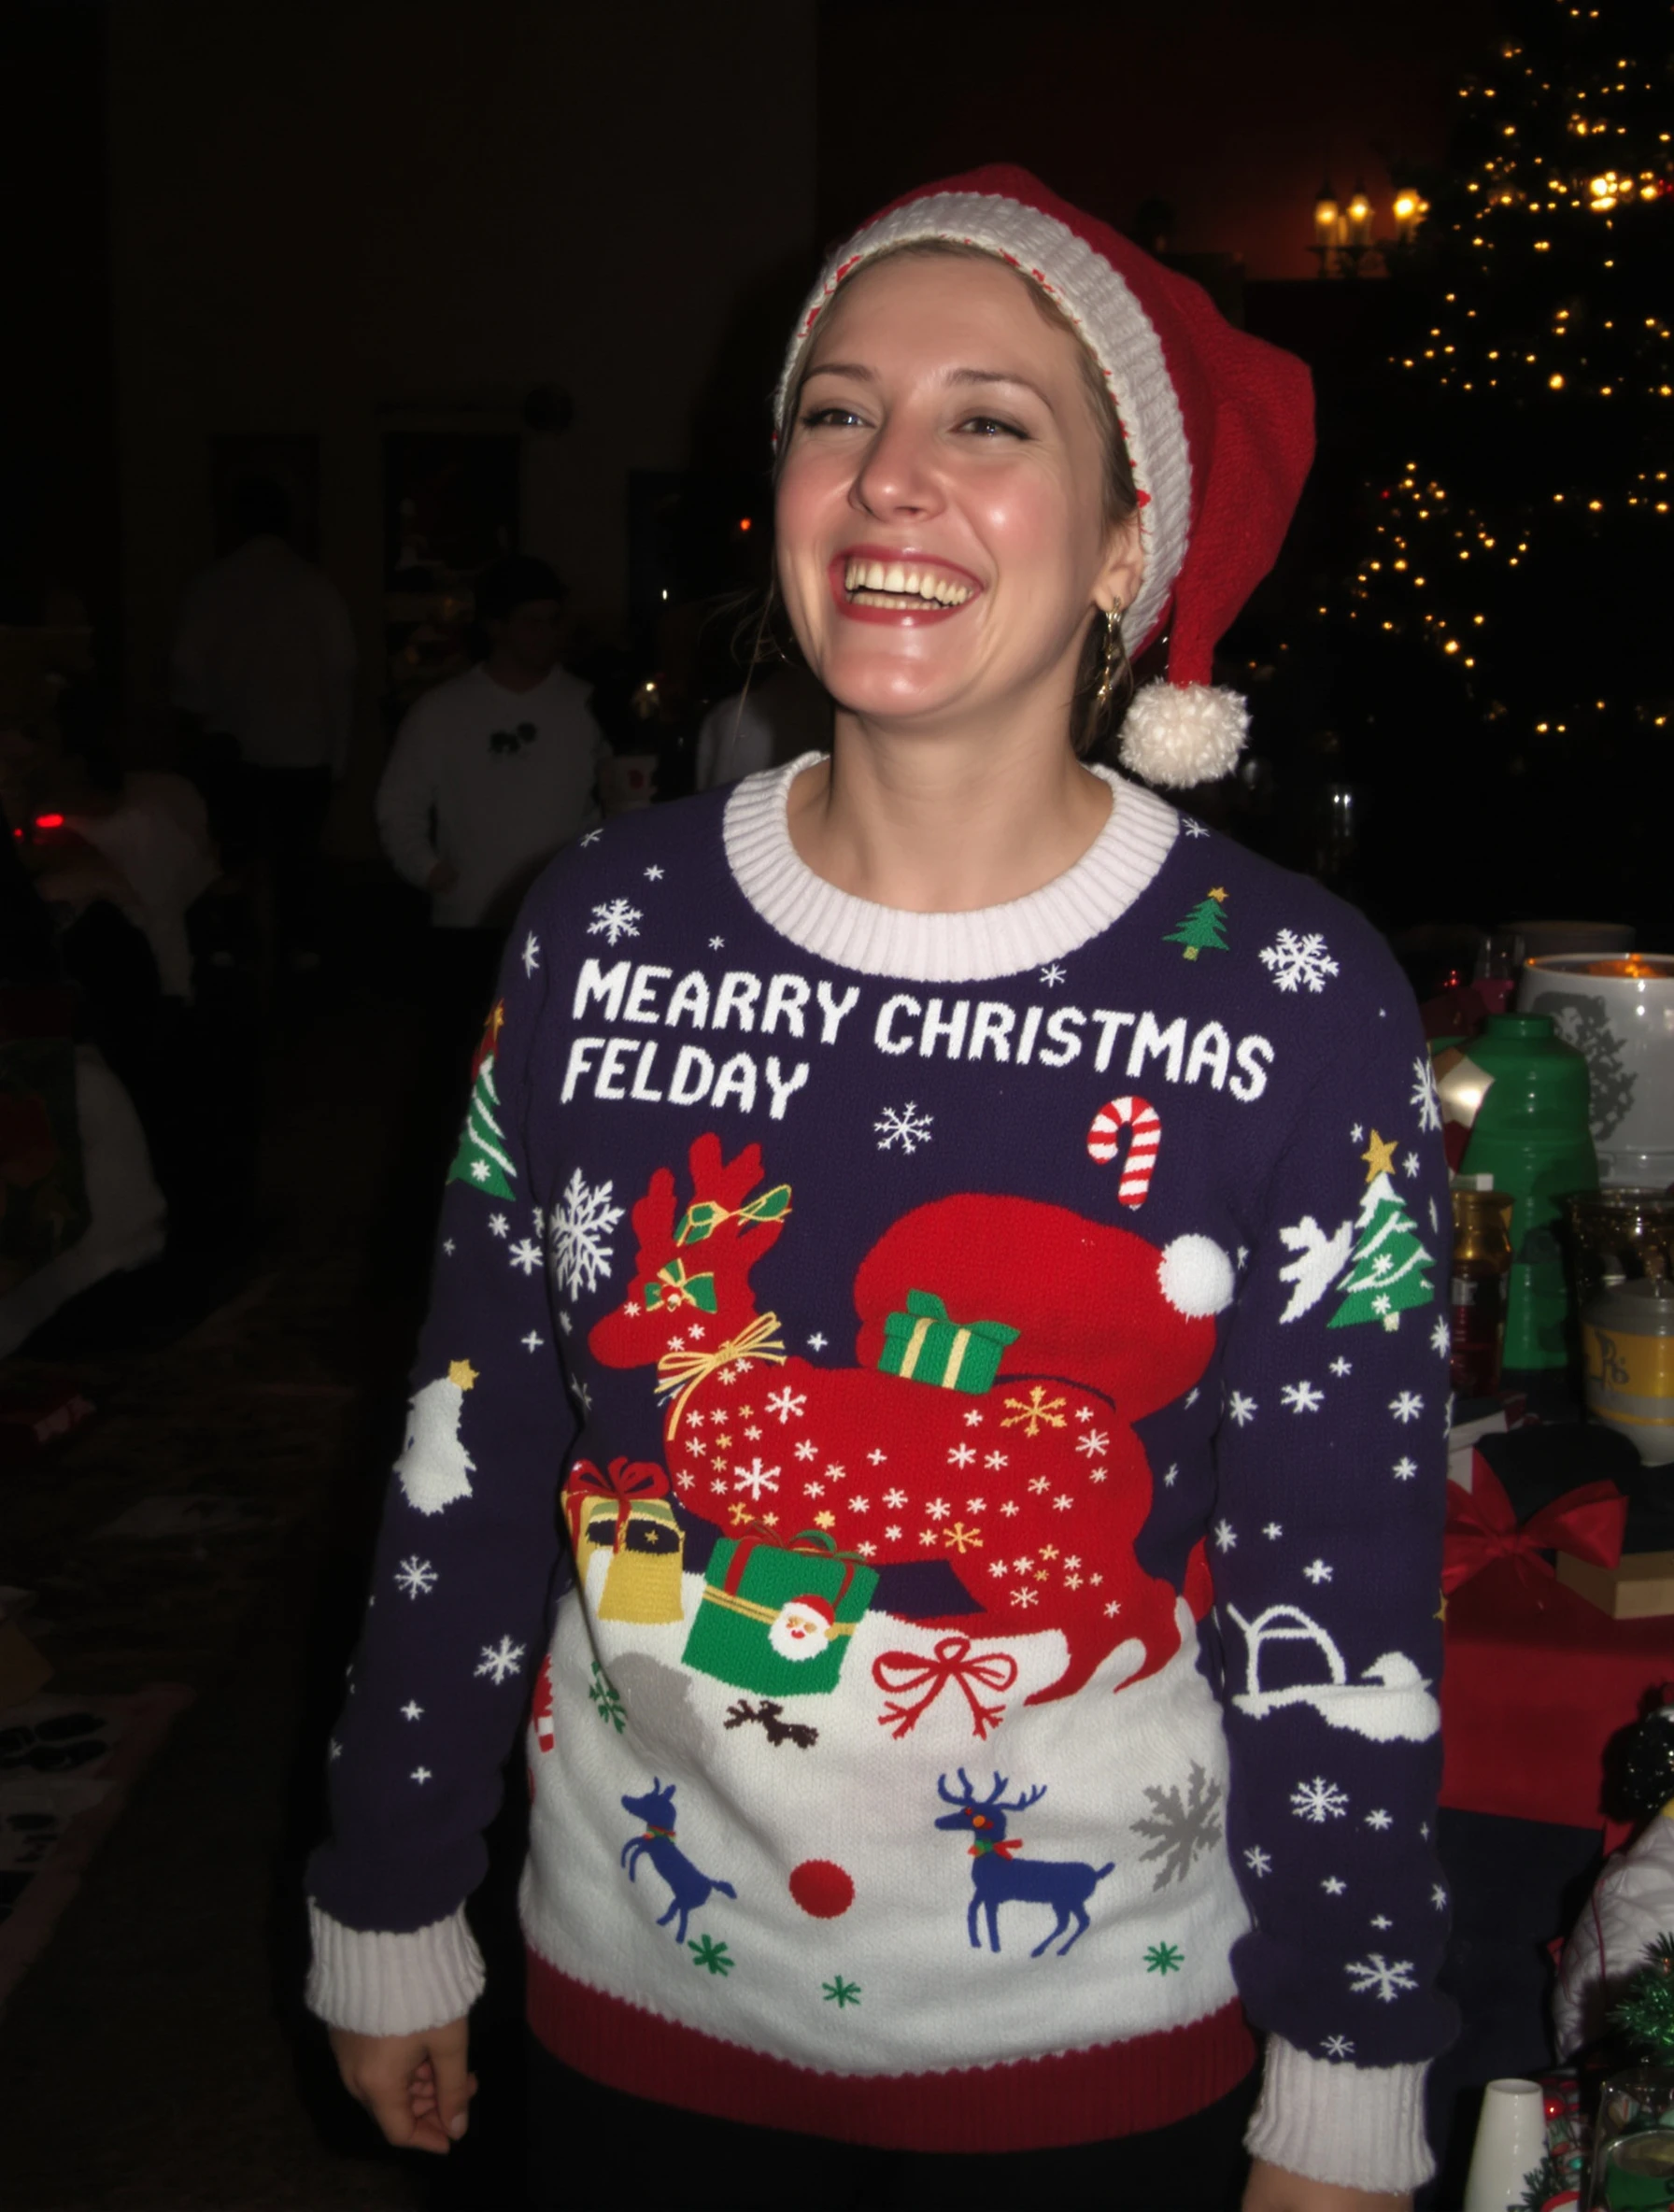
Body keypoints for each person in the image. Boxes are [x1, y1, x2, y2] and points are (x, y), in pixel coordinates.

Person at [308, 168, 1454, 2210]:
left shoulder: (1296, 1001)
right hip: (620, 2024)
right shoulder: (601, 924)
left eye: (987, 421)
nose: (888, 475)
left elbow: (1339, 1591)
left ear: (1127, 545)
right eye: (836, 410)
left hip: (1097, 2074)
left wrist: (1346, 2072)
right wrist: (391, 1896)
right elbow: (464, 1455)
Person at [375, 553, 607, 1073]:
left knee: (553, 1071)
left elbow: (611, 803)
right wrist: (429, 869)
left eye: (554, 621)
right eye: (532, 622)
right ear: (496, 627)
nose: (547, 634)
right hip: (470, 924)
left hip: (562, 922)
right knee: (464, 1070)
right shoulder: (441, 711)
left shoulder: (589, 705)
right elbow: (399, 804)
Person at [170, 475, 356, 977]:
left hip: (232, 746)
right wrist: (337, 755)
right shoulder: (314, 589)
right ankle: (301, 946)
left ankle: (229, 942)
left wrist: (205, 718)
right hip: (304, 748)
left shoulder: (211, 587)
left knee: (231, 856)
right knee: (299, 856)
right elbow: (341, 672)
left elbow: (186, 670)